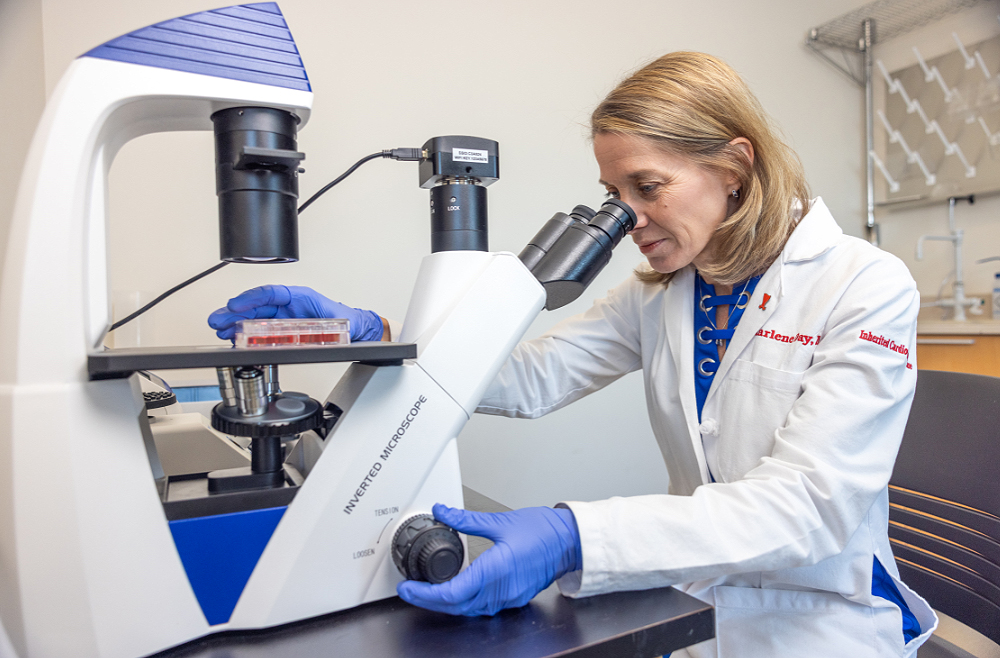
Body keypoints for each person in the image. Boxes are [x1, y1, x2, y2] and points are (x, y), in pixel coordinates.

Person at [208, 52, 936, 657]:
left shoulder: (862, 284)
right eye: (613, 194)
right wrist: (380, 336)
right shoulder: (663, 291)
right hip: (695, 606)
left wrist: (574, 533)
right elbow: (535, 376)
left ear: (734, 167)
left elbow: (806, 509)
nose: (627, 219)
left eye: (646, 187)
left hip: (817, 626)